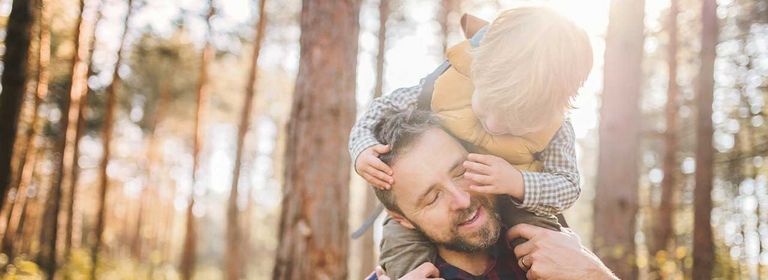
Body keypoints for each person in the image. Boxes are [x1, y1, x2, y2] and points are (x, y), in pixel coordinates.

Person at [349, 6, 592, 278]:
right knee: (399, 242)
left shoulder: (556, 130)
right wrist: (362, 148)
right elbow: (380, 110)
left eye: (514, 125)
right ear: (477, 69)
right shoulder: (447, 84)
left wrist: (517, 181)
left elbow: (568, 186)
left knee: (545, 241)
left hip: (522, 199)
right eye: (486, 108)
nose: (493, 126)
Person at [364, 108, 616, 280]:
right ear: (401, 219)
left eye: (461, 171)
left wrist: (592, 274)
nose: (462, 199)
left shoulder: (559, 256)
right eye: (432, 198)